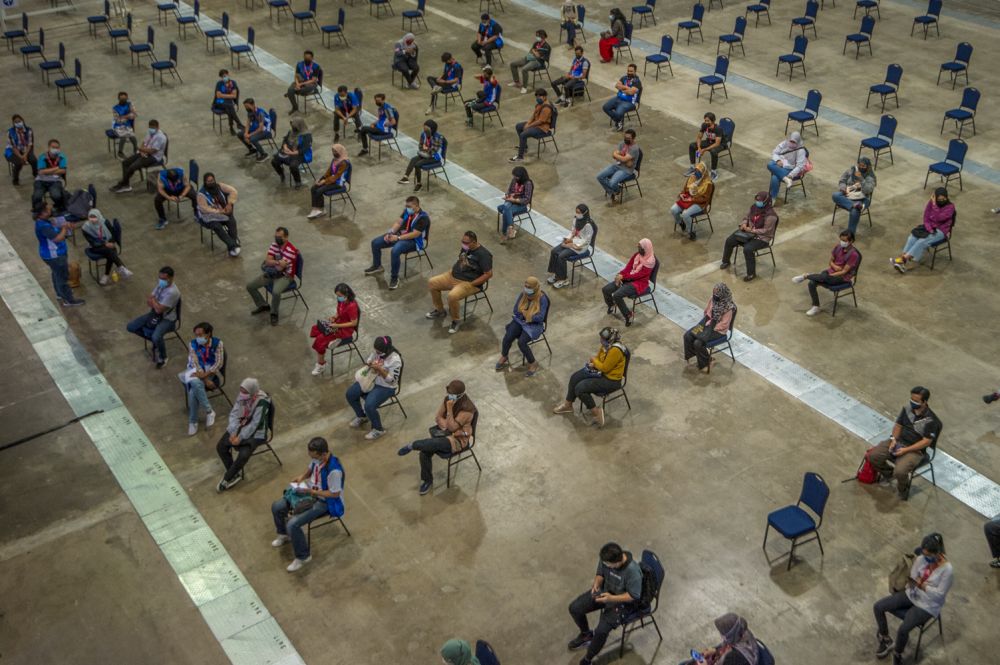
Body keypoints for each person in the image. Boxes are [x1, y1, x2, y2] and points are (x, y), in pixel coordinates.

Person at [873, 533, 953, 665]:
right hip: (912, 594)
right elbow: (913, 576)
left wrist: (924, 586)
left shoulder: (947, 570)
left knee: (903, 629)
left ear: (938, 553)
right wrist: (916, 582)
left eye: (928, 555)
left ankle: (898, 654)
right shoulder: (921, 559)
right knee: (878, 607)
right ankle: (885, 638)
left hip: (928, 605)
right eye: (924, 554)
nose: (925, 558)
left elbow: (939, 595)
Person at [270, 436, 345, 572]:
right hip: (310, 492)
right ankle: (284, 535)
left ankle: (303, 557)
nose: (312, 459)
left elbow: (334, 494)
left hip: (325, 502)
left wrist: (312, 492)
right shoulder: (317, 459)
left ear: (323, 454)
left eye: (314, 456)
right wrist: (302, 477)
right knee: (277, 507)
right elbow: (310, 469)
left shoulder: (334, 471)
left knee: (293, 524)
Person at [565, 541, 642, 664]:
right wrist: (596, 584)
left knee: (601, 631)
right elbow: (600, 573)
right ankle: (586, 635)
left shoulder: (633, 572)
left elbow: (634, 596)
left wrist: (611, 599)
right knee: (575, 608)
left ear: (617, 562)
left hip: (622, 603)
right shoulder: (606, 558)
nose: (605, 565)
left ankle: (588, 659)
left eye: (608, 564)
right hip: (605, 592)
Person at [397, 380, 477, 495]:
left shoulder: (467, 409)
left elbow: (453, 428)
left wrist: (449, 410)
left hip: (458, 440)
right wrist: (448, 426)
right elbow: (438, 417)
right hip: (445, 433)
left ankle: (413, 445)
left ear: (459, 395)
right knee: (424, 452)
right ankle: (427, 480)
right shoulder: (447, 399)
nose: (449, 396)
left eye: (452, 394)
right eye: (449, 393)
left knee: (431, 445)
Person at [867, 387, 942, 500]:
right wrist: (893, 440)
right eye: (911, 399)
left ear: (924, 402)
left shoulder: (931, 420)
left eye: (916, 401)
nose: (912, 402)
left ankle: (903, 489)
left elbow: (926, 441)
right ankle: (889, 474)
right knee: (873, 456)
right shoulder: (907, 409)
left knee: (900, 471)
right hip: (899, 442)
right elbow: (898, 425)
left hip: (915, 450)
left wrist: (906, 450)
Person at [553, 327, 627, 427]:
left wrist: (594, 361)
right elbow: (598, 358)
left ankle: (597, 413)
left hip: (611, 380)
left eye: (603, 339)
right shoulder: (606, 346)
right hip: (602, 373)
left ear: (610, 339)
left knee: (580, 389)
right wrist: (594, 363)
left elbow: (604, 368)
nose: (601, 340)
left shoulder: (615, 350)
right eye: (601, 338)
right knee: (575, 377)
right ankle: (568, 405)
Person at [426, 231, 494, 334]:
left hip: (468, 282)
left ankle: (455, 320)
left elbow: (488, 274)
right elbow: (461, 259)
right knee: (432, 282)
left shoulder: (484, 255)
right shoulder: (466, 248)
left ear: (474, 242)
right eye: (462, 241)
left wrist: (472, 284)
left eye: (466, 243)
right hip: (452, 275)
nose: (463, 244)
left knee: (452, 296)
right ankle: (440, 311)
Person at [216, 377, 270, 491]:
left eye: (245, 392)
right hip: (241, 426)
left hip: (256, 433)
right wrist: (233, 432)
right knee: (221, 446)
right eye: (241, 391)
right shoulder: (243, 398)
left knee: (243, 455)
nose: (242, 394)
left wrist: (240, 437)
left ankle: (228, 478)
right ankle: (234, 473)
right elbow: (235, 414)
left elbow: (255, 424)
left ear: (252, 392)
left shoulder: (262, 402)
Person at [364, 196, 430, 289]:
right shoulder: (407, 211)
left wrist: (398, 238)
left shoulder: (423, 218)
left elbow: (415, 234)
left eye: (409, 206)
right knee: (375, 243)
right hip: (400, 236)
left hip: (414, 241)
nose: (407, 208)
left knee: (395, 251)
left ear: (416, 205)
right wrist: (390, 233)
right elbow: (398, 223)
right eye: (406, 206)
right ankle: (377, 265)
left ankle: (394, 277)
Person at [345, 335, 402, 440]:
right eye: (376, 350)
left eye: (378, 352)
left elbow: (392, 381)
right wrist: (370, 362)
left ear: (385, 349)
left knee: (369, 405)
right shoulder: (378, 351)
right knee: (350, 394)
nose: (376, 353)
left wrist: (380, 369)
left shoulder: (395, 360)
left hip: (386, 386)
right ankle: (362, 416)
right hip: (371, 380)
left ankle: (378, 429)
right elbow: (370, 358)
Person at [792, 229, 860, 316]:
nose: (842, 242)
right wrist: (834, 267)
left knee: (825, 278)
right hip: (830, 272)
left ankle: (806, 276)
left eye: (844, 241)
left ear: (851, 241)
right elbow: (830, 262)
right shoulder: (838, 247)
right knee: (812, 283)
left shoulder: (853, 254)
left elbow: (844, 272)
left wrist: (831, 275)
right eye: (841, 240)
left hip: (843, 278)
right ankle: (816, 306)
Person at [125, 266, 180, 367]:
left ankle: (163, 357)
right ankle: (157, 342)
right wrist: (155, 303)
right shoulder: (161, 285)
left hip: (167, 319)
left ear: (171, 278)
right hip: (154, 314)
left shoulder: (173, 292)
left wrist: (154, 301)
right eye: (160, 278)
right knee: (131, 327)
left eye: (164, 279)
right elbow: (149, 301)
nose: (161, 281)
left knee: (156, 336)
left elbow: (158, 309)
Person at [891, 188, 955, 273]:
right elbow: (926, 217)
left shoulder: (950, 207)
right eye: (939, 199)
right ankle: (902, 262)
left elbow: (939, 218)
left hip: (941, 231)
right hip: (930, 227)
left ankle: (902, 260)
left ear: (947, 197)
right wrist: (929, 228)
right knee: (912, 237)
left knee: (921, 241)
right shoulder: (931, 203)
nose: (941, 201)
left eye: (943, 199)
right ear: (935, 197)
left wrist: (934, 205)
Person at [495, 277, 549, 376]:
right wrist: (525, 315)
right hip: (521, 320)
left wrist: (528, 315)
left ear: (535, 287)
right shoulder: (523, 294)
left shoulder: (542, 299)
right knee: (508, 336)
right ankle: (504, 356)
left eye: (529, 287)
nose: (526, 288)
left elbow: (540, 318)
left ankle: (533, 363)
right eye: (525, 286)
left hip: (534, 325)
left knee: (521, 342)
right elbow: (516, 310)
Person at [247, 226, 300, 326]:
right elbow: (267, 261)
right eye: (275, 236)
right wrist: (277, 262)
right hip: (272, 273)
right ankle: (263, 305)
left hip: (286, 276)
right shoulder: (274, 244)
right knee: (250, 286)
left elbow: (280, 269)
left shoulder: (291, 250)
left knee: (276, 292)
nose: (277, 239)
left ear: (286, 237)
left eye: (279, 237)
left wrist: (273, 262)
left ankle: (274, 313)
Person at [34, 201, 83, 307]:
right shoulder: (43, 226)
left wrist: (63, 226)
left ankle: (60, 294)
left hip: (51, 254)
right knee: (62, 277)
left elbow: (55, 230)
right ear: (42, 213)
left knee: (56, 274)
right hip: (55, 255)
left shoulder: (44, 222)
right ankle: (68, 300)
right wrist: (65, 228)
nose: (50, 210)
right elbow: (57, 238)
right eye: (47, 210)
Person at [719, 191, 778, 279]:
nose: (757, 202)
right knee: (729, 240)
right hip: (748, 232)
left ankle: (751, 274)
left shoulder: (771, 216)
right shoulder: (753, 207)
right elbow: (746, 217)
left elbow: (766, 230)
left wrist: (752, 230)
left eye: (760, 201)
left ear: (766, 202)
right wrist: (743, 224)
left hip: (762, 237)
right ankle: (726, 261)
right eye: (757, 200)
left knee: (748, 249)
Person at [180, 322, 224, 436]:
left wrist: (206, 375)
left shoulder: (218, 343)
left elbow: (219, 363)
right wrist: (204, 379)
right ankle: (209, 411)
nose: (198, 338)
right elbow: (194, 362)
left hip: (211, 372)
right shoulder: (193, 344)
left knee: (192, 391)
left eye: (200, 335)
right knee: (195, 383)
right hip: (196, 371)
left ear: (208, 334)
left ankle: (193, 421)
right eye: (196, 335)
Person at [309, 283, 360, 375]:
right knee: (316, 328)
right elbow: (339, 312)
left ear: (346, 294)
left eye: (339, 296)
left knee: (320, 339)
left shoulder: (352, 306)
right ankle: (328, 343)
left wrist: (337, 326)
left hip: (345, 331)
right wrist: (334, 317)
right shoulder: (341, 301)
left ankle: (321, 364)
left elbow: (354, 323)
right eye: (337, 296)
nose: (338, 298)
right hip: (337, 324)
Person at [684, 283, 735, 372]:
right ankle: (699, 355)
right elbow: (706, 312)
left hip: (718, 330)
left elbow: (724, 325)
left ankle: (707, 361)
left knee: (698, 342)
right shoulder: (712, 299)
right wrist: (705, 323)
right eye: (713, 293)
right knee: (688, 335)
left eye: (716, 294)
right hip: (707, 323)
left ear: (722, 294)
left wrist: (710, 328)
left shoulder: (728, 308)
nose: (714, 295)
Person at [602, 238, 654, 327]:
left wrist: (624, 277)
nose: (638, 249)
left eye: (640, 247)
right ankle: (611, 304)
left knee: (617, 295)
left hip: (638, 283)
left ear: (646, 248)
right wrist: (620, 275)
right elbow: (628, 268)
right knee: (606, 289)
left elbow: (638, 276)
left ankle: (628, 315)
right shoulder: (637, 255)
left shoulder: (650, 262)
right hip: (628, 279)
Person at [111, 119, 167, 193]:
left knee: (132, 167)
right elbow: (144, 142)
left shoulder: (161, 137)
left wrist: (141, 149)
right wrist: (142, 150)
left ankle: (123, 184)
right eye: (150, 127)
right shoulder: (150, 132)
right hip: (145, 152)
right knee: (125, 162)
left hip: (154, 157)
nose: (151, 129)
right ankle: (126, 184)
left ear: (157, 127)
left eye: (153, 128)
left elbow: (153, 151)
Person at [547, 204, 595, 288]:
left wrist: (572, 241)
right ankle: (557, 274)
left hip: (580, 247)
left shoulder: (588, 225)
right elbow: (573, 232)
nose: (577, 214)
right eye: (576, 212)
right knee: (554, 251)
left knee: (561, 256)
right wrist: (567, 238)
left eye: (579, 213)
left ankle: (563, 279)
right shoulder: (576, 219)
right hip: (572, 242)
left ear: (584, 213)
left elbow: (586, 241)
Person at [683, 614, 762, 665]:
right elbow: (726, 643)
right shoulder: (741, 630)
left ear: (730, 634)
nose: (722, 636)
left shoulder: (734, 657)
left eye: (723, 634)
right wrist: (715, 650)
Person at [81, 208, 131, 285]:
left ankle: (107, 275)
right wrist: (105, 244)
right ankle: (120, 267)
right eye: (91, 217)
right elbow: (92, 242)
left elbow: (113, 234)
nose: (92, 219)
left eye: (94, 217)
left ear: (98, 216)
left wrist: (111, 242)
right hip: (95, 247)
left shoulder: (105, 222)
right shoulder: (85, 228)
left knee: (110, 252)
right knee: (110, 251)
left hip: (108, 243)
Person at [197, 173, 241, 256]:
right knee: (217, 227)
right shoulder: (201, 194)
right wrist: (219, 211)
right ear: (205, 182)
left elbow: (233, 191)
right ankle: (233, 245)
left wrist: (229, 203)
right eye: (208, 181)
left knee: (231, 221)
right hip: (209, 216)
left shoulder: (219, 186)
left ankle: (233, 243)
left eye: (212, 180)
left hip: (222, 212)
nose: (211, 182)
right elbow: (205, 209)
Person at [671, 161, 714, 241]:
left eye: (698, 172)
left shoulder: (708, 184)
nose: (696, 173)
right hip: (688, 199)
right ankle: (681, 222)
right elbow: (685, 189)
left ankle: (691, 231)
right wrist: (682, 194)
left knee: (685, 214)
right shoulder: (692, 178)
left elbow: (705, 198)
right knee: (673, 209)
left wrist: (693, 199)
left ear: (703, 173)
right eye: (696, 171)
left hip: (700, 204)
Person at [832, 157, 876, 235]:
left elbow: (867, 191)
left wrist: (861, 179)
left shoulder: (870, 177)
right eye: (860, 165)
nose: (861, 167)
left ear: (868, 167)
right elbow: (842, 180)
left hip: (863, 199)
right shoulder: (852, 170)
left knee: (855, 212)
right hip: (849, 195)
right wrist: (843, 188)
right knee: (835, 195)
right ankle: (854, 205)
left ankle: (850, 235)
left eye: (863, 166)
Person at [509, 89, 554, 164]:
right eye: (537, 97)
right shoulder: (540, 104)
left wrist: (529, 126)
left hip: (542, 128)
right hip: (536, 124)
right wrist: (528, 123)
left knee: (523, 135)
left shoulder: (546, 108)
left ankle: (520, 157)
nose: (538, 98)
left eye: (539, 97)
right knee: (518, 126)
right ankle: (524, 148)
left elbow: (540, 121)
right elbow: (533, 115)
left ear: (545, 97)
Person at [397, 120, 443, 192]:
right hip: (425, 154)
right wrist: (424, 149)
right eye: (424, 127)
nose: (424, 129)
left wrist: (426, 148)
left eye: (426, 128)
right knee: (413, 159)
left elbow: (433, 151)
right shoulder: (423, 134)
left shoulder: (437, 137)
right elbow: (420, 146)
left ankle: (419, 184)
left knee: (417, 164)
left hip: (435, 157)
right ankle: (406, 177)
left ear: (431, 129)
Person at [307, 143, 350, 219]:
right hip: (331, 180)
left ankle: (321, 210)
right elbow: (329, 171)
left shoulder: (344, 163)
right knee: (314, 188)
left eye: (335, 151)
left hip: (338, 183)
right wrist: (320, 179)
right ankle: (315, 209)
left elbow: (337, 176)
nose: (333, 153)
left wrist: (324, 181)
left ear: (340, 151)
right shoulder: (334, 160)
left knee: (319, 190)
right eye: (333, 151)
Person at [596, 128, 639, 199]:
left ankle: (616, 190)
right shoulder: (622, 143)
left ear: (633, 138)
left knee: (612, 183)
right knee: (599, 177)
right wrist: (622, 158)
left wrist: (620, 156)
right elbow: (614, 155)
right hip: (617, 165)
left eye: (628, 138)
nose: (626, 139)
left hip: (626, 170)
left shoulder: (634, 148)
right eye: (625, 137)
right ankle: (614, 191)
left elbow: (624, 160)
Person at [270, 118, 312, 188]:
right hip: (288, 152)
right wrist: (285, 146)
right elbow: (285, 140)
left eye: (294, 127)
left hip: (300, 154)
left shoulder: (306, 135)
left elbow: (305, 149)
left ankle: (298, 182)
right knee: (274, 161)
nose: (293, 128)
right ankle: (281, 173)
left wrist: (293, 153)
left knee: (293, 165)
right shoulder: (291, 132)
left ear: (299, 126)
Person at [766, 131, 807, 200]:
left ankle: (772, 198)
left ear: (798, 142)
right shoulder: (785, 143)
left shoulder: (801, 150)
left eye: (794, 142)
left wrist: (790, 175)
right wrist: (778, 160)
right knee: (770, 164)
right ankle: (786, 179)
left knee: (775, 177)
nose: (792, 143)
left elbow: (800, 166)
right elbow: (774, 152)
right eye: (791, 141)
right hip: (780, 164)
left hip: (790, 169)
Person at [154, 166, 198, 230]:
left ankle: (197, 213)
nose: (175, 182)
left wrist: (182, 195)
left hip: (181, 189)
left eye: (176, 180)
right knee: (157, 200)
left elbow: (188, 186)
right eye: (173, 182)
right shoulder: (161, 177)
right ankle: (162, 219)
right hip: (168, 190)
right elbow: (160, 190)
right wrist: (169, 198)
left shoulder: (181, 174)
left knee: (194, 195)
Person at [509, 29, 551, 94]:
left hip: (538, 62)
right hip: (530, 58)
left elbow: (538, 56)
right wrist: (534, 52)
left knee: (524, 69)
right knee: (513, 64)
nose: (536, 37)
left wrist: (534, 51)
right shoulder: (536, 43)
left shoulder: (546, 46)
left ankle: (524, 87)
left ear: (542, 36)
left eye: (538, 36)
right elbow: (531, 51)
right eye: (536, 35)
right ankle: (516, 82)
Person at [498, 166, 534, 240]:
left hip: (521, 205)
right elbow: (509, 190)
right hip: (511, 201)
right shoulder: (514, 180)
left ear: (522, 176)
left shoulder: (528, 183)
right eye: (514, 176)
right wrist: (508, 195)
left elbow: (526, 199)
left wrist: (514, 200)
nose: (515, 178)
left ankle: (505, 232)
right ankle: (510, 229)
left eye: (516, 176)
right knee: (503, 208)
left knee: (505, 210)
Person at [602, 64, 641, 131]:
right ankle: (618, 120)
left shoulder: (637, 81)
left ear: (635, 71)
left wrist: (622, 89)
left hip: (629, 102)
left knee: (618, 112)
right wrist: (626, 87)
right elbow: (617, 86)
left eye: (631, 71)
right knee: (605, 107)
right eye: (628, 71)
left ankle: (619, 122)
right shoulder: (624, 78)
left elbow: (630, 92)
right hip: (618, 98)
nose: (629, 72)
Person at [32, 139, 67, 211]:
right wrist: (56, 168)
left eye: (57, 147)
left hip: (55, 181)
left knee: (56, 196)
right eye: (53, 147)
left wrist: (47, 171)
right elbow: (41, 172)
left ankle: (58, 207)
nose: (55, 149)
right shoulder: (42, 157)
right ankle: (37, 209)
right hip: (41, 181)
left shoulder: (62, 157)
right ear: (48, 148)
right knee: (37, 196)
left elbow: (63, 170)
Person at [688, 111, 723, 177]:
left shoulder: (718, 129)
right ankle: (692, 167)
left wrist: (704, 150)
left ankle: (714, 172)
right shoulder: (704, 125)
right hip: (709, 141)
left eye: (708, 121)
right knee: (692, 146)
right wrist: (699, 148)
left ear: (713, 121)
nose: (706, 122)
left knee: (713, 151)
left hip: (720, 144)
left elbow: (717, 143)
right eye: (705, 120)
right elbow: (699, 138)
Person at [6, 114, 36, 185]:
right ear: (13, 123)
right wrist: (21, 157)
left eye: (19, 121)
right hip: (12, 151)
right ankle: (15, 179)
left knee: (33, 160)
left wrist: (25, 155)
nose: (18, 123)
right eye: (16, 122)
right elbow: (13, 147)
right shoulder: (10, 132)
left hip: (25, 150)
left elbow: (30, 144)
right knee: (18, 163)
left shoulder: (29, 130)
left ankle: (36, 174)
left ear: (22, 121)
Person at [212, 69, 244, 135]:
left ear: (228, 74)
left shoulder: (233, 83)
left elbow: (234, 96)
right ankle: (238, 124)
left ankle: (232, 127)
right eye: (222, 77)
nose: (224, 77)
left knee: (229, 108)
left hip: (227, 102)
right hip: (219, 101)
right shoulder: (219, 84)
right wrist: (229, 95)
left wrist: (223, 95)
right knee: (230, 106)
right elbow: (218, 96)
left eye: (225, 76)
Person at [110, 91, 137, 158]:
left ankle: (135, 150)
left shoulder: (129, 104)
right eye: (122, 99)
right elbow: (118, 120)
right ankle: (120, 152)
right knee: (123, 137)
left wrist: (123, 116)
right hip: (118, 126)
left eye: (125, 99)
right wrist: (128, 116)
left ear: (127, 98)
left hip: (127, 125)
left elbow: (134, 115)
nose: (123, 100)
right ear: (118, 99)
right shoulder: (115, 108)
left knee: (132, 137)